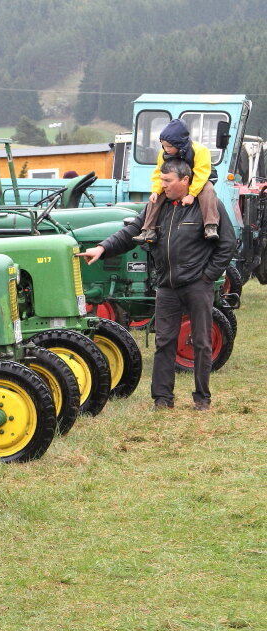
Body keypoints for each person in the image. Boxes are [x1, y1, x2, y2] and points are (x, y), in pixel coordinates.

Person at [77, 159, 236, 411]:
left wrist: (208, 276)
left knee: (202, 342)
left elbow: (227, 243)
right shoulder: (158, 206)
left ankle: (202, 398)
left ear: (185, 181)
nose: (163, 185)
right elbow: (130, 233)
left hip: (198, 285)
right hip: (166, 286)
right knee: (164, 341)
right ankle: (162, 399)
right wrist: (102, 248)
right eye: (161, 180)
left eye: (168, 181)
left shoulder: (208, 206)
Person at [134, 118, 220, 243]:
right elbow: (160, 173)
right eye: (163, 145)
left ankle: (210, 226)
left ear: (180, 144)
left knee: (208, 190)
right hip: (180, 178)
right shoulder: (163, 154)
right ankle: (148, 230)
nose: (166, 149)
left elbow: (201, 174)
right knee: (155, 197)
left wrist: (192, 194)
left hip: (201, 177)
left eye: (169, 146)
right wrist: (155, 191)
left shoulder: (200, 150)